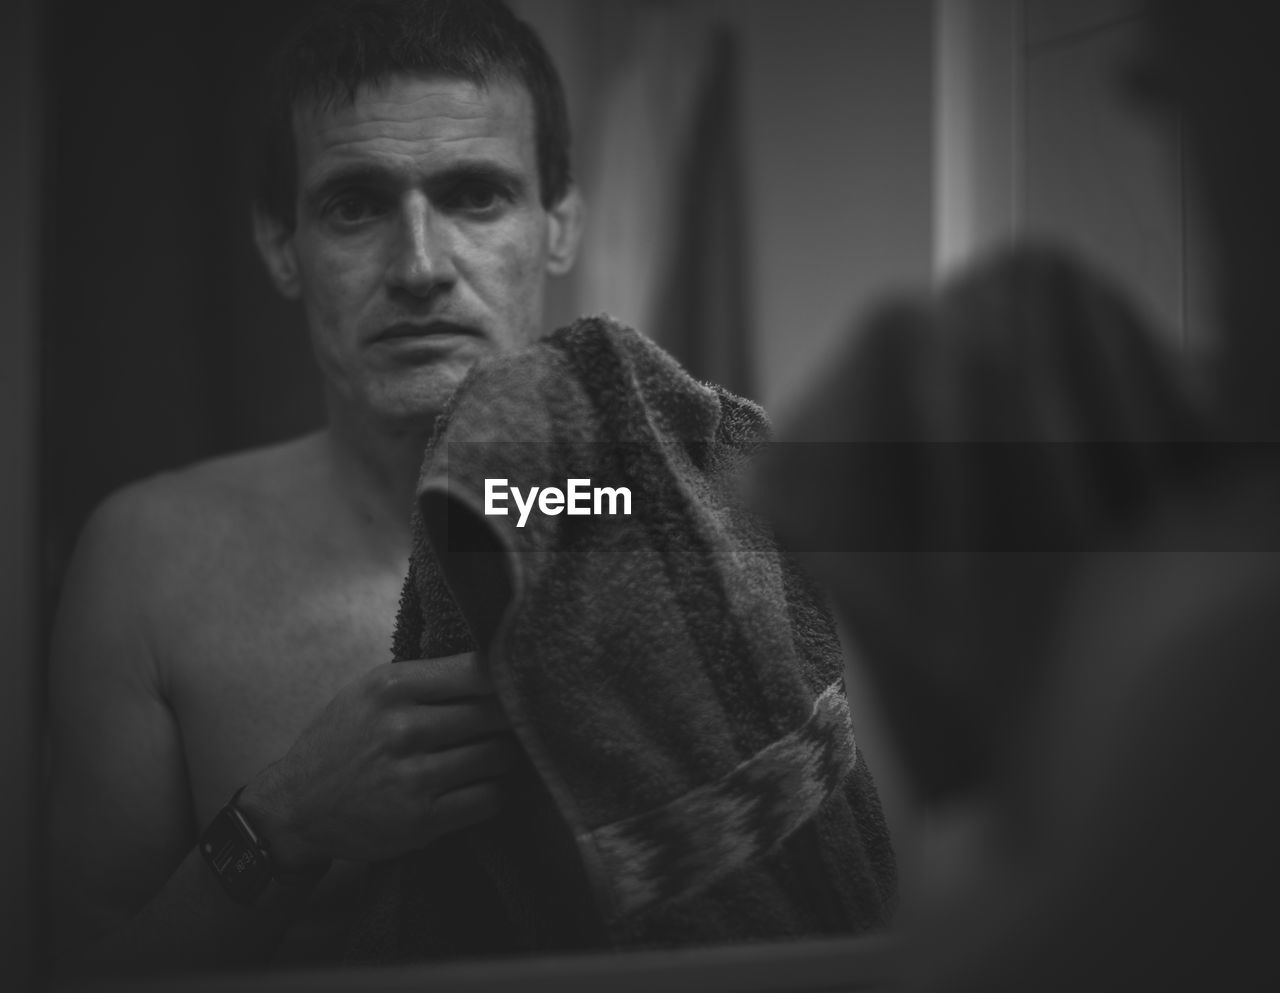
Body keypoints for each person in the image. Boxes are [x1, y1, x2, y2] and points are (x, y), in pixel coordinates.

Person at [46, 0, 585, 974]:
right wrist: (286, 819)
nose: (420, 267)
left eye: (475, 195)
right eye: (355, 205)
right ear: (278, 245)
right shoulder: (144, 562)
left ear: (556, 226)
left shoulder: (689, 533)